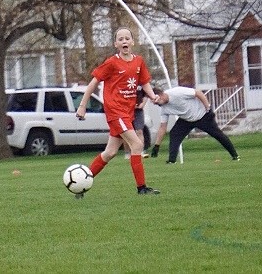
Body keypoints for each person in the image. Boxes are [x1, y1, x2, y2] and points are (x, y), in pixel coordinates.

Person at [76, 27, 160, 195]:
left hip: (127, 113)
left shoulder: (139, 62)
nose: (124, 41)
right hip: (116, 111)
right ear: (116, 44)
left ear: (132, 42)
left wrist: (152, 96)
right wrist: (82, 105)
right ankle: (142, 188)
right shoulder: (112, 62)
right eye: (120, 39)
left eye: (127, 38)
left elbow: (144, 82)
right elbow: (93, 82)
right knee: (137, 144)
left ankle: (81, 184)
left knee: (110, 152)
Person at [150, 86, 240, 163]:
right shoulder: (163, 109)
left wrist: (208, 108)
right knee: (174, 134)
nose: (156, 104)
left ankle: (235, 156)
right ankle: (171, 161)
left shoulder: (177, 92)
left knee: (218, 135)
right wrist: (157, 146)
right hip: (186, 120)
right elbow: (163, 127)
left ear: (160, 95)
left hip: (202, 115)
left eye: (156, 101)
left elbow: (198, 93)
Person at [124, 86, 149, 159]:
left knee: (139, 131)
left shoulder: (141, 83)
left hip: (138, 111)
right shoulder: (125, 82)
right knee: (126, 132)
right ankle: (127, 153)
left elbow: (146, 94)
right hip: (126, 110)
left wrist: (142, 104)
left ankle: (140, 151)